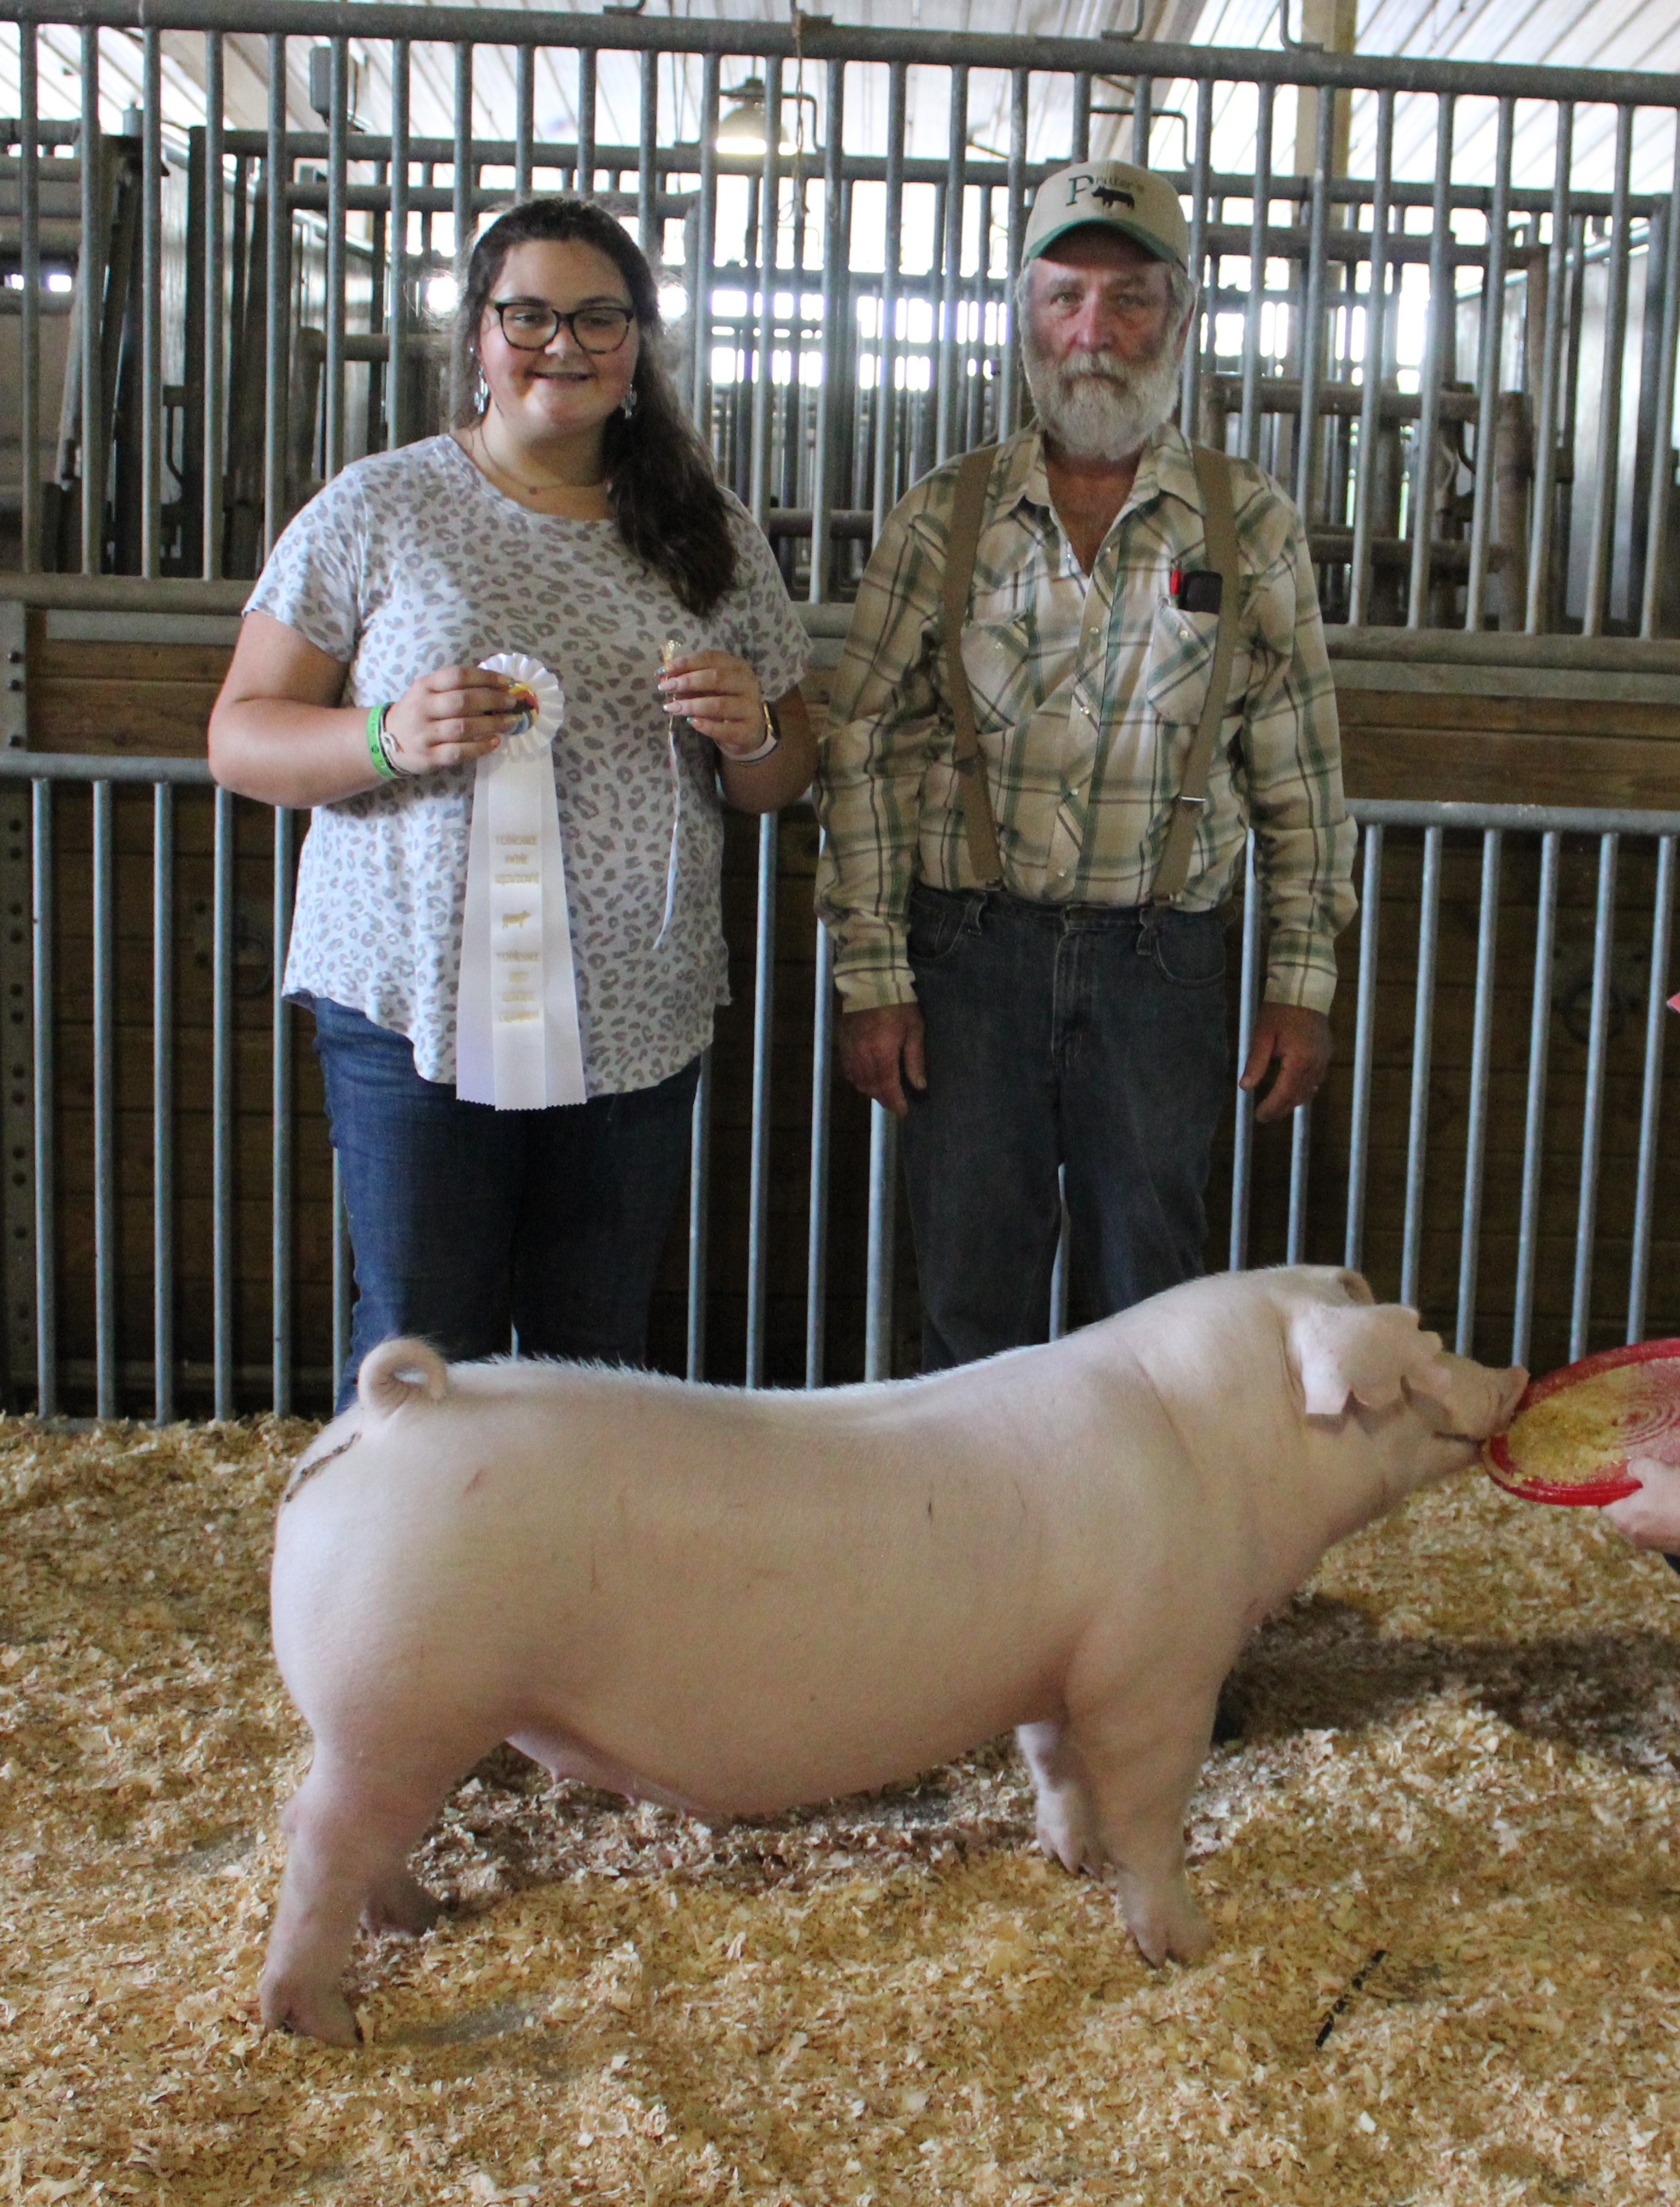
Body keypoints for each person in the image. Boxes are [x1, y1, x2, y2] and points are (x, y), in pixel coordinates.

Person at [209, 196, 813, 1405]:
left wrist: (755, 730)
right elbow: (240, 736)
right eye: (528, 314)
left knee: (596, 1358)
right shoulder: (379, 506)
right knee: (421, 1343)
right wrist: (386, 735)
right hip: (413, 1007)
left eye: (600, 318)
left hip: (632, 1013)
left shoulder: (711, 533)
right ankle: (405, 1538)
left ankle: (568, 1539)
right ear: (479, 335)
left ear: (638, 343)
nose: (564, 345)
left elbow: (781, 775)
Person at [815, 158, 1357, 1371]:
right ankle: (976, 1502)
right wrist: (874, 975)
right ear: (1024, 317)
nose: (1094, 332)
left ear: (1182, 318)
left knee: (1154, 1312)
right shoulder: (941, 515)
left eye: (1130, 300)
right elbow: (860, 749)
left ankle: (1141, 1511)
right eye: (1064, 297)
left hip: (1164, 969)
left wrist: (1301, 982)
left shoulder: (1250, 522)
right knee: (969, 1305)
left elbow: (1301, 774)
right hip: (968, 960)